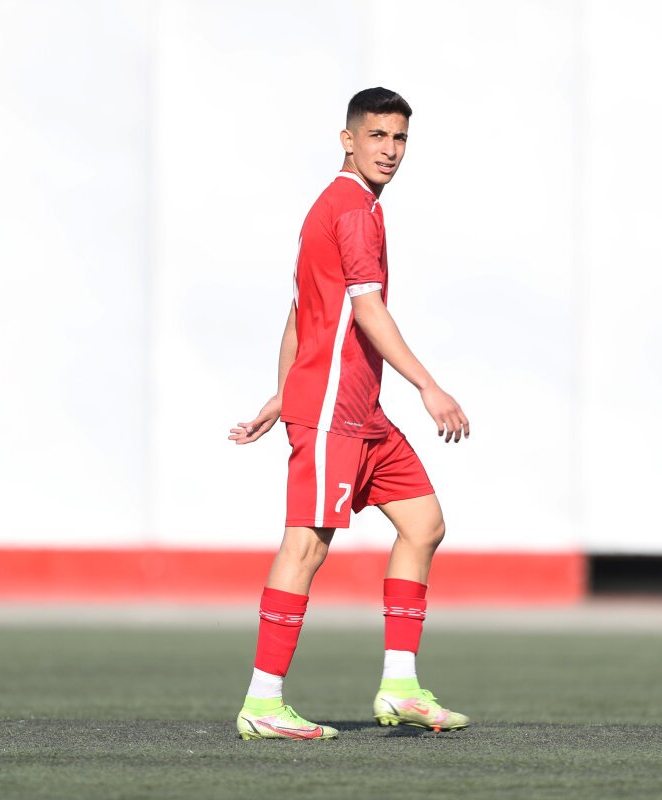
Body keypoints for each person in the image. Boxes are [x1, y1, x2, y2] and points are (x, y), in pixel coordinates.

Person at [228, 87, 470, 741]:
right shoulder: (354, 210)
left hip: (359, 410)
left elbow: (299, 312)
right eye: (377, 136)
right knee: (306, 546)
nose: (390, 150)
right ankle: (263, 701)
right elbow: (365, 309)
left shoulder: (335, 207)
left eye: (400, 138)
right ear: (348, 139)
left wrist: (284, 392)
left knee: (423, 524)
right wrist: (429, 386)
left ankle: (400, 687)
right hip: (335, 409)